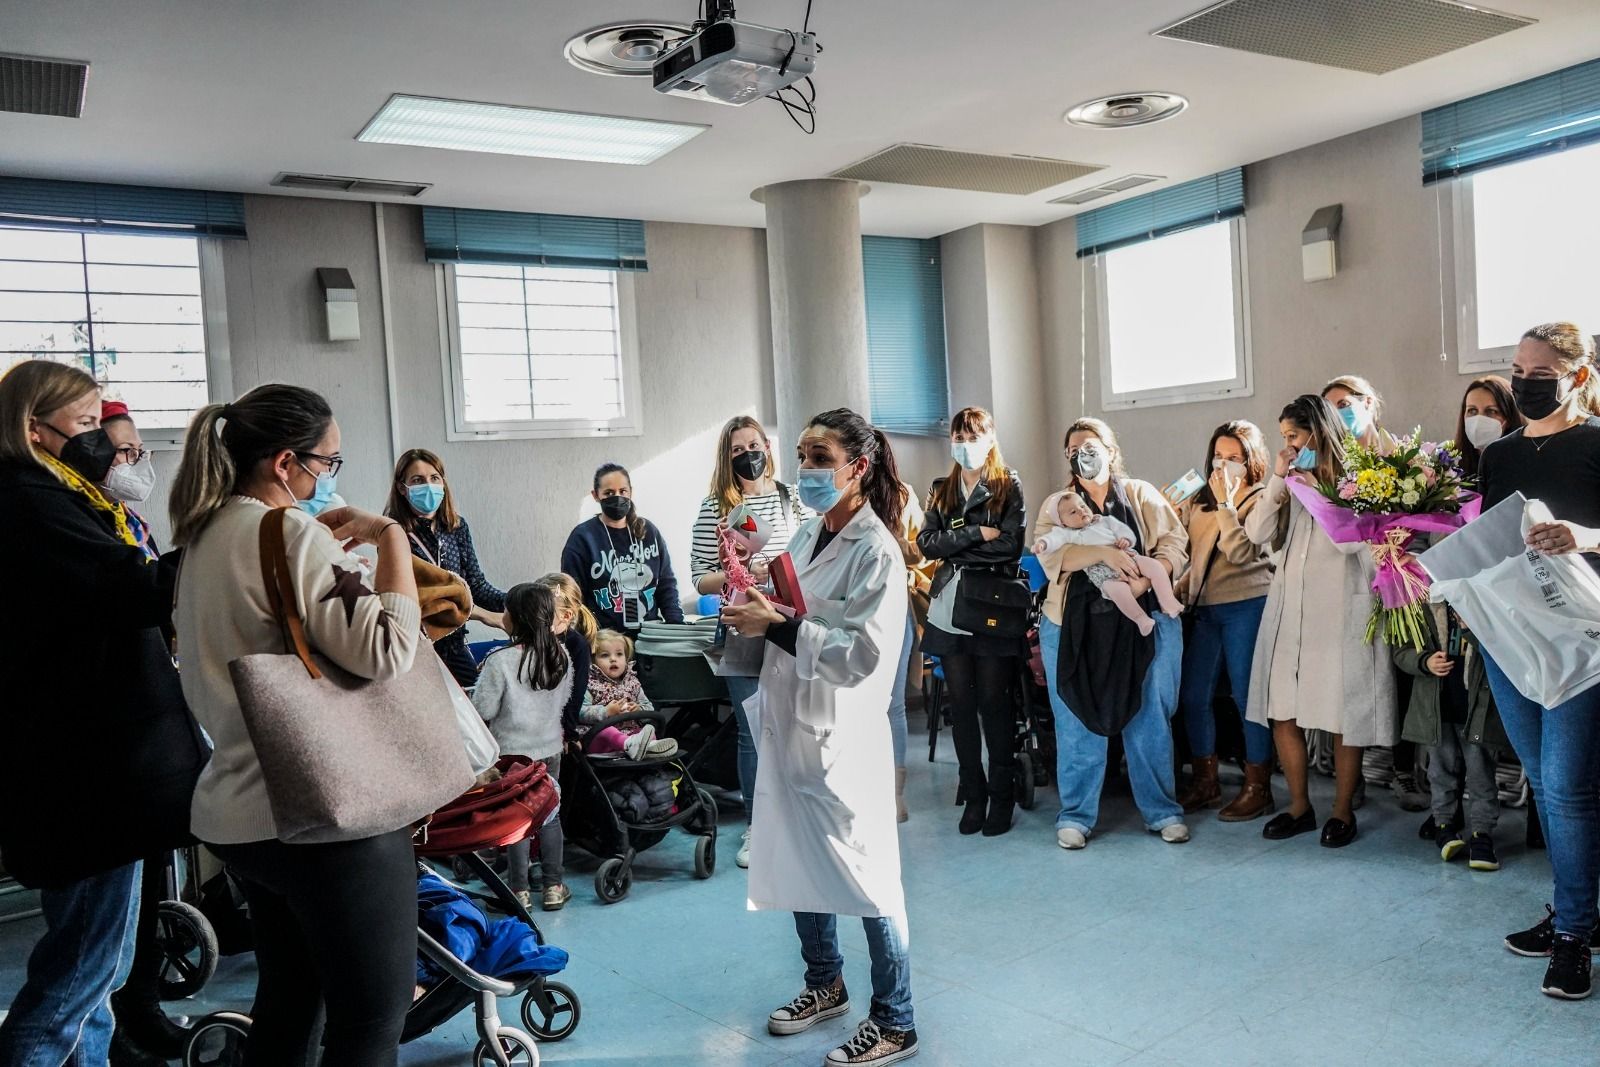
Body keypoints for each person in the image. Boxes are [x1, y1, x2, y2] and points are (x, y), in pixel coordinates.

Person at [168, 383, 424, 1067]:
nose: (329, 477)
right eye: (328, 462)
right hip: (325, 810)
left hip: (238, 812)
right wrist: (392, 538)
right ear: (287, 462)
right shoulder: (287, 532)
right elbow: (388, 650)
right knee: (372, 1017)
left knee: (288, 1002)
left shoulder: (200, 538)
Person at [0, 363, 206, 1067]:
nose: (106, 443)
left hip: (94, 772)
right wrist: (222, 538)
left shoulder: (59, 497)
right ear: (35, 430)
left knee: (99, 976)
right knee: (78, 975)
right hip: (84, 778)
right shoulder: (29, 502)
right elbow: (131, 590)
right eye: (87, 426)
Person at [720, 407, 917, 1066]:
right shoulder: (806, 537)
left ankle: (896, 1017)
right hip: (795, 727)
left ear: (859, 467)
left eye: (820, 457)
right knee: (804, 859)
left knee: (868, 878)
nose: (805, 470)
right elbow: (794, 607)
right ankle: (824, 983)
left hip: (843, 736)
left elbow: (864, 655)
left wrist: (776, 627)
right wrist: (751, 593)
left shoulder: (878, 552)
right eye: (802, 455)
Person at [1477, 322, 1600, 1000]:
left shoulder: (1596, 444)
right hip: (1510, 636)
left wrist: (1585, 536)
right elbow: (1489, 538)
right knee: (1543, 780)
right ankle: (1575, 909)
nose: (1524, 380)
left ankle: (1575, 933)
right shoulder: (1498, 455)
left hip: (1581, 639)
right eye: (1517, 368)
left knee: (1568, 785)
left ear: (1577, 376)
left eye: (1540, 370)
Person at [1247, 395, 1397, 850]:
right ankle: (1299, 806)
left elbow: (1355, 544)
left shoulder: (1360, 477)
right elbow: (1255, 532)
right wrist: (1279, 478)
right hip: (1291, 607)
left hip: (1339, 609)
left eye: (1293, 436)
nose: (1289, 445)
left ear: (1316, 432)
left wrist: (1317, 490)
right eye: (1284, 439)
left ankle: (1341, 810)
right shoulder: (1288, 478)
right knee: (1283, 710)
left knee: (1342, 711)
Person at [1034, 418, 1190, 850]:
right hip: (1073, 625)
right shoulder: (1058, 504)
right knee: (1075, 715)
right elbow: (1051, 556)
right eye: (1072, 449)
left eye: (1089, 445)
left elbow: (1174, 543)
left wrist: (1144, 583)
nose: (1081, 454)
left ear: (1109, 449)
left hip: (1144, 618)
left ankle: (1162, 811)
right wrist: (1100, 552)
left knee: (1149, 712)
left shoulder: (1141, 495)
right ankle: (1076, 814)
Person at [95, 402, 194, 1066]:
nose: (136, 464)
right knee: (102, 921)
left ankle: (142, 1008)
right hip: (107, 736)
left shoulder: (127, 520)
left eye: (139, 451)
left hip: (152, 719)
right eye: (121, 453)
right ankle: (119, 1023)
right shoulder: (84, 529)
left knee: (150, 881)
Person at [690, 416, 812, 865]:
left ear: (767, 447)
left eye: (754, 445)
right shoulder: (714, 508)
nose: (748, 455)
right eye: (738, 449)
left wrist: (778, 570)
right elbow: (699, 579)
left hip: (787, 622)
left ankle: (799, 818)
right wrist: (738, 573)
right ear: (727, 457)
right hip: (740, 623)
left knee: (796, 724)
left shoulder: (790, 499)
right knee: (751, 730)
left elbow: (809, 554)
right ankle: (757, 828)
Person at [918, 407, 1027, 837]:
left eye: (972, 436)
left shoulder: (1007, 485)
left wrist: (956, 548)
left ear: (990, 437)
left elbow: (1011, 547)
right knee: (960, 707)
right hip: (949, 607)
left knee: (994, 705)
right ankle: (974, 792)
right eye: (958, 437)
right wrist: (974, 535)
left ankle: (1002, 794)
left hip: (992, 606)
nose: (964, 445)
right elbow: (927, 544)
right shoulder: (942, 489)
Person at [1321, 374, 1423, 812]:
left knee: (1404, 673)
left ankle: (1404, 771)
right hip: (1352, 583)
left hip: (1401, 577)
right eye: (1331, 407)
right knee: (1356, 681)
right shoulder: (1331, 467)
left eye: (1346, 403)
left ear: (1369, 404)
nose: (1340, 413)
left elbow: (1426, 514)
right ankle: (1353, 777)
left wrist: (1399, 550)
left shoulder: (1403, 457)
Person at [1174, 420, 1276, 820]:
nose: (1224, 464)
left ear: (1251, 461)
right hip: (1204, 608)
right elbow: (1189, 548)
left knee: (1247, 697)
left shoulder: (1261, 498)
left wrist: (1226, 505)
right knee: (1194, 696)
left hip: (1247, 604)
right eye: (1219, 456)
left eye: (1234, 457)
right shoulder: (1201, 496)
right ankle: (1205, 780)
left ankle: (1258, 787)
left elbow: (1239, 552)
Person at [472, 583, 575, 912]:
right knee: (550, 817)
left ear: (515, 619)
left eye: (505, 610)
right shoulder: (562, 656)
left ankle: (518, 891)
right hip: (550, 750)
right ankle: (554, 886)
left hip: (512, 755)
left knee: (516, 820)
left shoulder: (499, 662)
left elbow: (483, 711)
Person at [1394, 604, 1507, 871]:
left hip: (1476, 707)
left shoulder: (1481, 599)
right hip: (1437, 709)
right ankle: (1443, 825)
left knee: (1481, 773)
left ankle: (1482, 835)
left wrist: (1473, 632)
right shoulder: (1420, 601)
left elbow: (1504, 647)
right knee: (1439, 771)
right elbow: (1401, 651)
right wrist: (1424, 661)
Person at [384, 447, 509, 687]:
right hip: (414, 646)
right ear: (402, 488)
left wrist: (519, 602)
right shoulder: (392, 533)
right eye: (418, 480)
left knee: (475, 707)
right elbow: (421, 600)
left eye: (434, 478)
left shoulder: (456, 527)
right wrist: (484, 616)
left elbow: (477, 586)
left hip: (453, 642)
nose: (428, 485)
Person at [1033, 489, 1183, 637]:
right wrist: (1042, 545)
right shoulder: (1065, 531)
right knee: (1116, 590)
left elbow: (1125, 531)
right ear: (1063, 523)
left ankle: (1168, 601)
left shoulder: (1104, 519)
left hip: (1129, 557)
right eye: (1073, 513)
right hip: (1100, 574)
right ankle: (1140, 618)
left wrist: (1126, 541)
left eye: (1083, 506)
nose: (1080, 511)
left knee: (1154, 566)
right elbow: (1052, 542)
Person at [562, 462, 684, 633]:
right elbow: (573, 595)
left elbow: (666, 584)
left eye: (622, 491)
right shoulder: (583, 538)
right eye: (609, 493)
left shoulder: (648, 532)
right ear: (596, 495)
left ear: (630, 492)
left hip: (649, 634)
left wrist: (676, 625)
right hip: (606, 640)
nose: (617, 497)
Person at [581, 629, 678, 759]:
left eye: (619, 654)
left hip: (630, 733)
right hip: (599, 741)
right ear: (593, 660)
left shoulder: (632, 683)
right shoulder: (589, 683)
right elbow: (579, 712)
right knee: (607, 731)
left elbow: (648, 707)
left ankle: (648, 747)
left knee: (647, 728)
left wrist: (638, 709)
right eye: (605, 655)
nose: (613, 659)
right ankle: (632, 745)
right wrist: (606, 712)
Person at [538, 572, 597, 736]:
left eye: (545, 611)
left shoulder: (577, 645)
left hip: (559, 726)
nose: (537, 616)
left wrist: (567, 732)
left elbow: (575, 692)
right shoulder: (534, 636)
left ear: (566, 615)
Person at [1454, 375, 1525, 481]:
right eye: (1472, 410)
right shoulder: (1451, 463)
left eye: (1491, 411)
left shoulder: (1522, 464)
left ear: (1509, 418)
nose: (1479, 419)